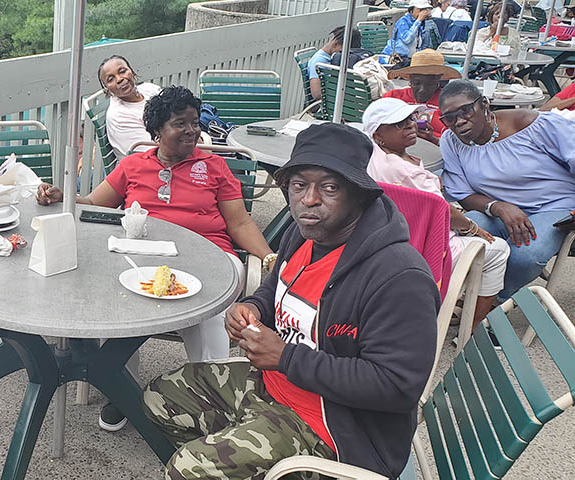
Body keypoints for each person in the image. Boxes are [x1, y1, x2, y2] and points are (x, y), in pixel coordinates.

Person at [143, 122, 439, 479]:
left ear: (360, 194)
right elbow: (275, 289)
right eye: (299, 185)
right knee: (159, 398)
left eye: (330, 187)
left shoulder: (398, 276)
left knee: (186, 469)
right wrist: (253, 307)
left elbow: (396, 387)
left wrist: (286, 357)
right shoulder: (305, 234)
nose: (309, 199)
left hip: (335, 429)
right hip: (273, 384)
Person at [36, 85, 275, 431]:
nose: (192, 131)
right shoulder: (133, 165)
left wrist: (268, 258)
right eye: (180, 124)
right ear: (157, 131)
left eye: (194, 122)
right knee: (121, 301)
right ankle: (123, 390)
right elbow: (94, 204)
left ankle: (213, 395)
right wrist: (63, 197)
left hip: (209, 256)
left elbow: (239, 222)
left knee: (214, 303)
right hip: (142, 259)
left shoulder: (214, 167)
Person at [363, 97, 510, 332]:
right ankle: (472, 327)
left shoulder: (371, 156)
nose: (411, 125)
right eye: (399, 124)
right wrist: (473, 228)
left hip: (394, 239)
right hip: (427, 247)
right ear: (378, 134)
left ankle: (457, 300)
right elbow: (443, 211)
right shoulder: (409, 172)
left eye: (411, 118)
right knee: (499, 249)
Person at [439, 79, 575, 304]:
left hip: (555, 206)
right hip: (499, 210)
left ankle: (491, 303)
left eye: (466, 111)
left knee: (525, 255)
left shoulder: (531, 124)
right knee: (458, 234)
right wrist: (497, 207)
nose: (459, 121)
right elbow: (462, 193)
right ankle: (462, 293)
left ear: (484, 104)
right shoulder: (451, 141)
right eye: (450, 118)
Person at [384, 49, 462, 143]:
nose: (422, 89)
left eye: (430, 84)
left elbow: (458, 142)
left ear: (438, 81)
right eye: (416, 83)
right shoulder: (393, 97)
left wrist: (433, 139)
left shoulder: (450, 103)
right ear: (410, 80)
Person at [100, 55, 163, 159]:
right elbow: (152, 153)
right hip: (152, 163)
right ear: (107, 89)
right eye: (111, 79)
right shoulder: (119, 117)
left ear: (132, 72)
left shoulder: (149, 89)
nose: (119, 79)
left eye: (122, 71)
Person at [306, 26, 350, 101]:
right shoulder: (319, 61)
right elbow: (316, 94)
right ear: (335, 45)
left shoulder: (328, 58)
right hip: (327, 103)